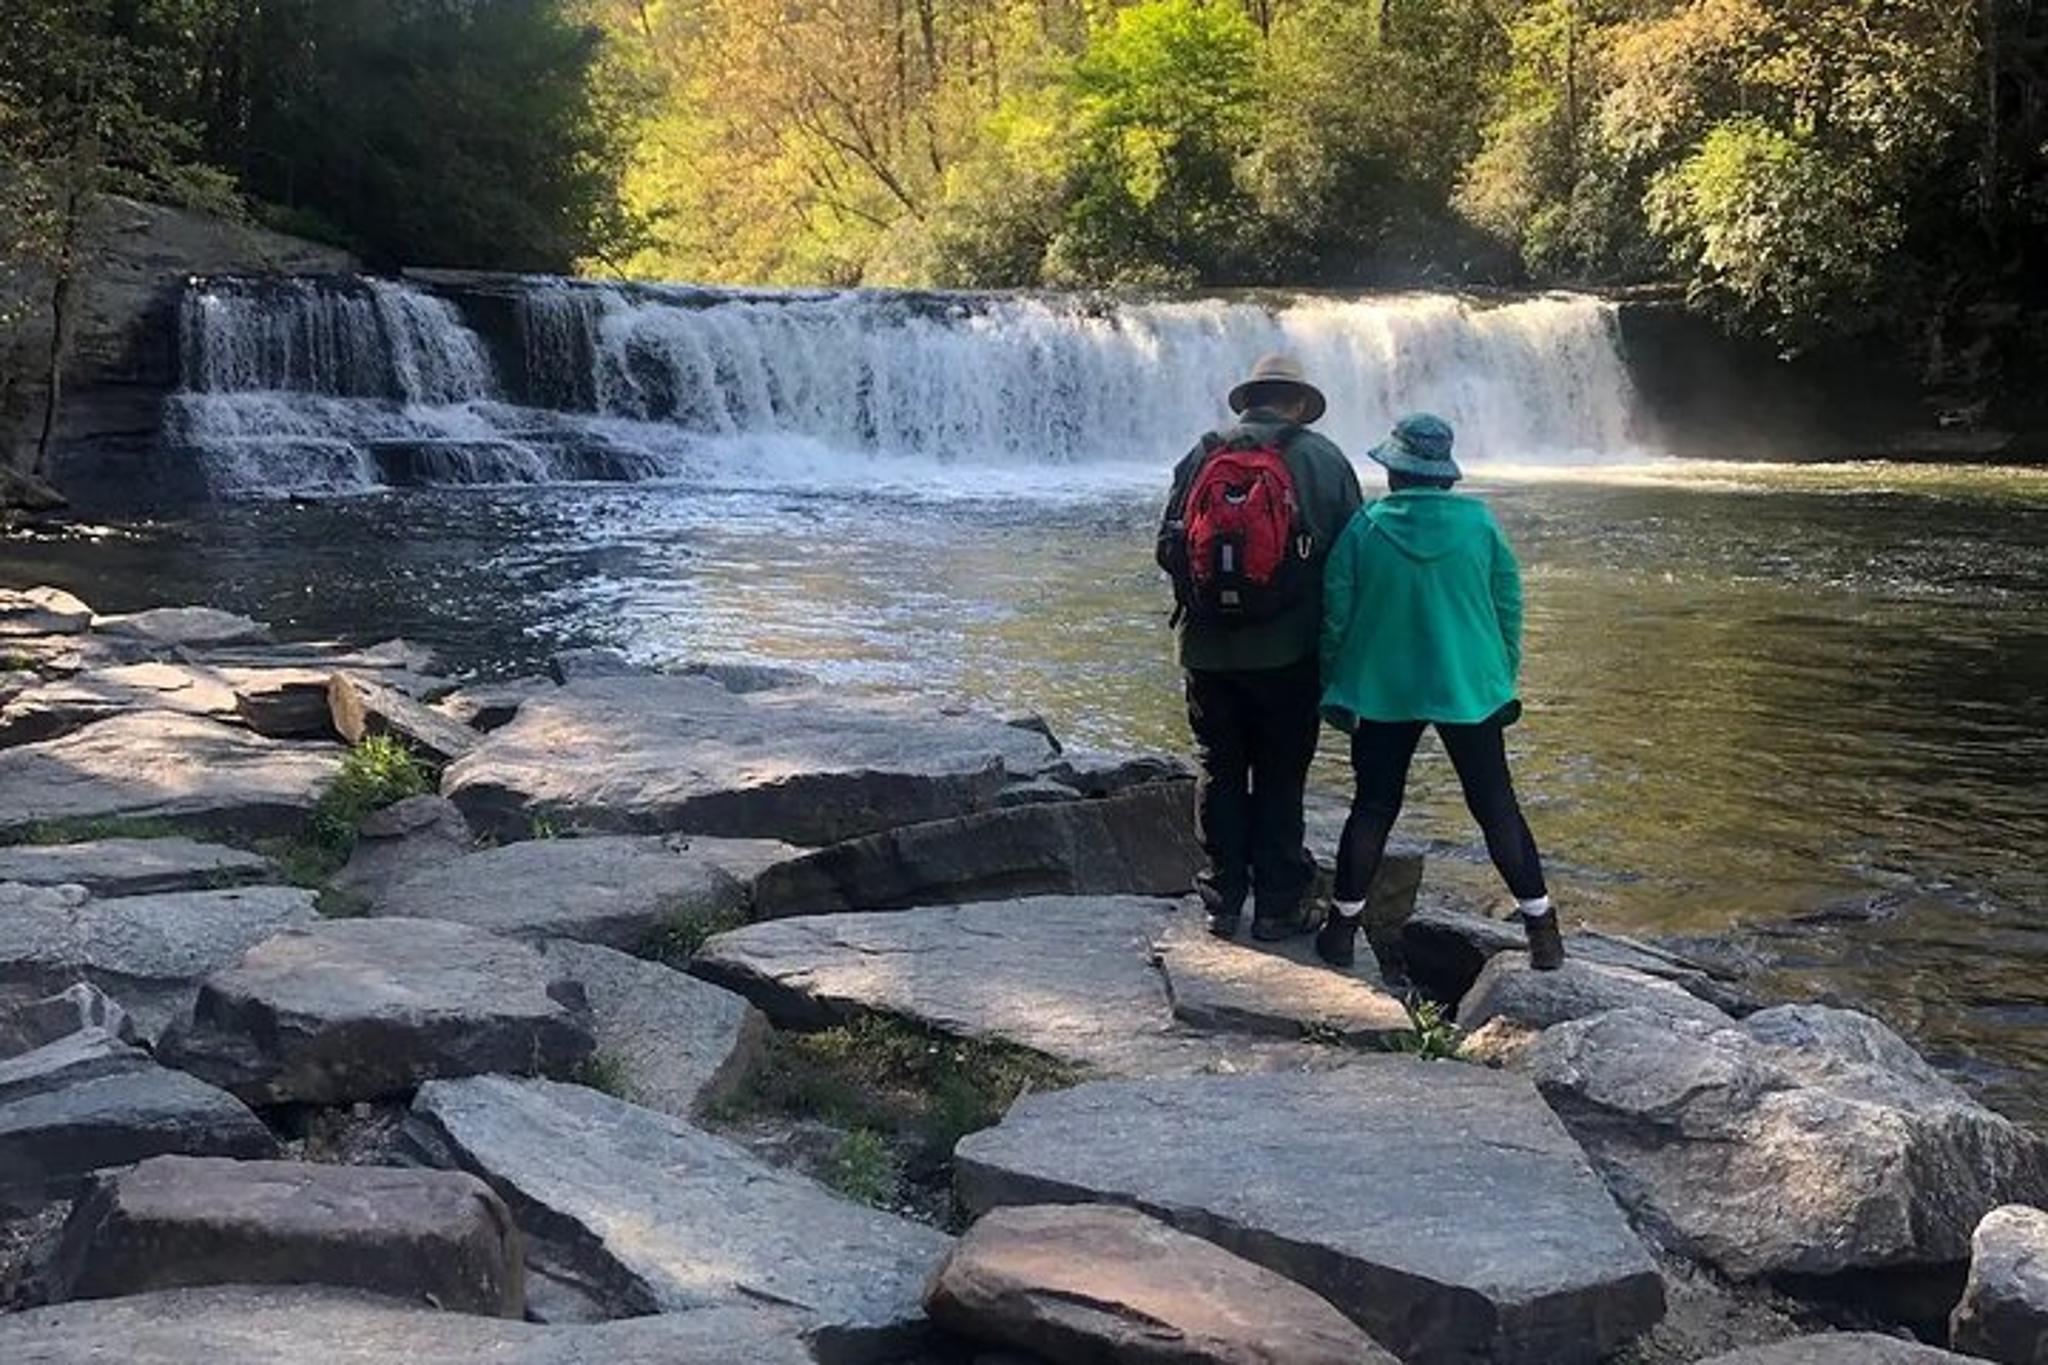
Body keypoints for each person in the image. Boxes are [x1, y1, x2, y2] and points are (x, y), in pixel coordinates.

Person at [1315, 412, 1563, 975]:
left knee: (1374, 805)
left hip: (1381, 686)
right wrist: (1500, 676)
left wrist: (1335, 682)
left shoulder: (1365, 528)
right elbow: (1509, 609)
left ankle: (1340, 930)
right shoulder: (1481, 526)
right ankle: (1542, 931)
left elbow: (1336, 614)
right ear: (1445, 476)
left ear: (1396, 474)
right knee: (1495, 805)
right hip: (1467, 685)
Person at [1157, 354, 1362, 941]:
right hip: (1289, 651)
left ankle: (1222, 899)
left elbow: (1168, 546)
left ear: (1250, 399)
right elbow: (1352, 561)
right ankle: (1279, 906)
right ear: (1298, 403)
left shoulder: (1201, 455)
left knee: (1219, 767)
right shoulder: (1322, 459)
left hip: (1205, 650)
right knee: (1280, 774)